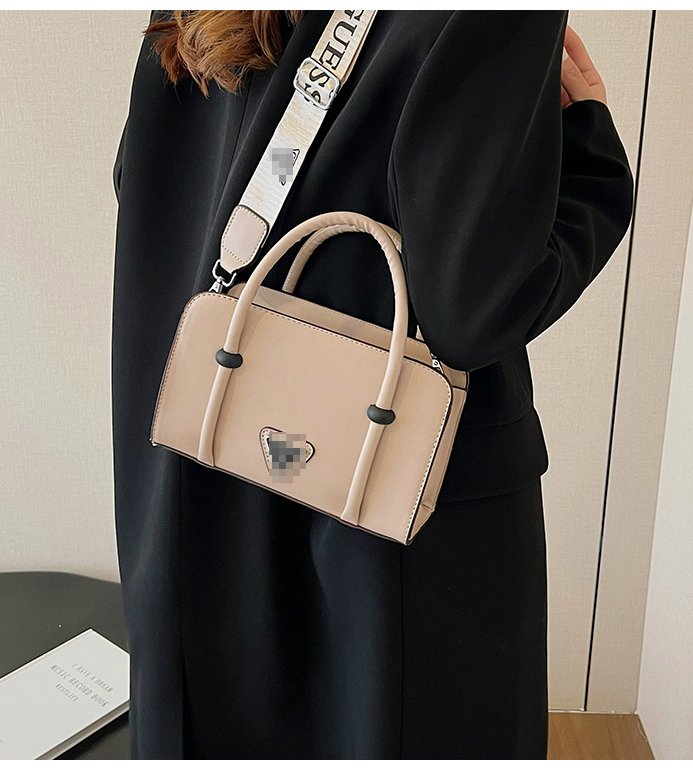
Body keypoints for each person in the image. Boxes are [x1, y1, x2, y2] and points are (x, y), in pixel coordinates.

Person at [111, 10, 634, 760]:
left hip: (197, 452)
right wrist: (591, 152)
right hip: (389, 526)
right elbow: (476, 304)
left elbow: (143, 175)